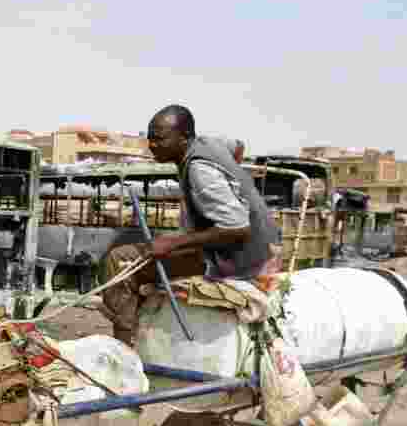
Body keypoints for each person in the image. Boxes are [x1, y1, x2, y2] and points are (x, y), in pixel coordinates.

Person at [100, 105, 280, 346]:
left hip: (238, 257)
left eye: (160, 139)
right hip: (262, 246)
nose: (151, 145)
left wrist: (174, 242)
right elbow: (237, 146)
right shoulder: (210, 144)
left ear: (183, 138)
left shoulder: (199, 170)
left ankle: (123, 349)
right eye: (150, 138)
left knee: (120, 261)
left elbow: (238, 229)